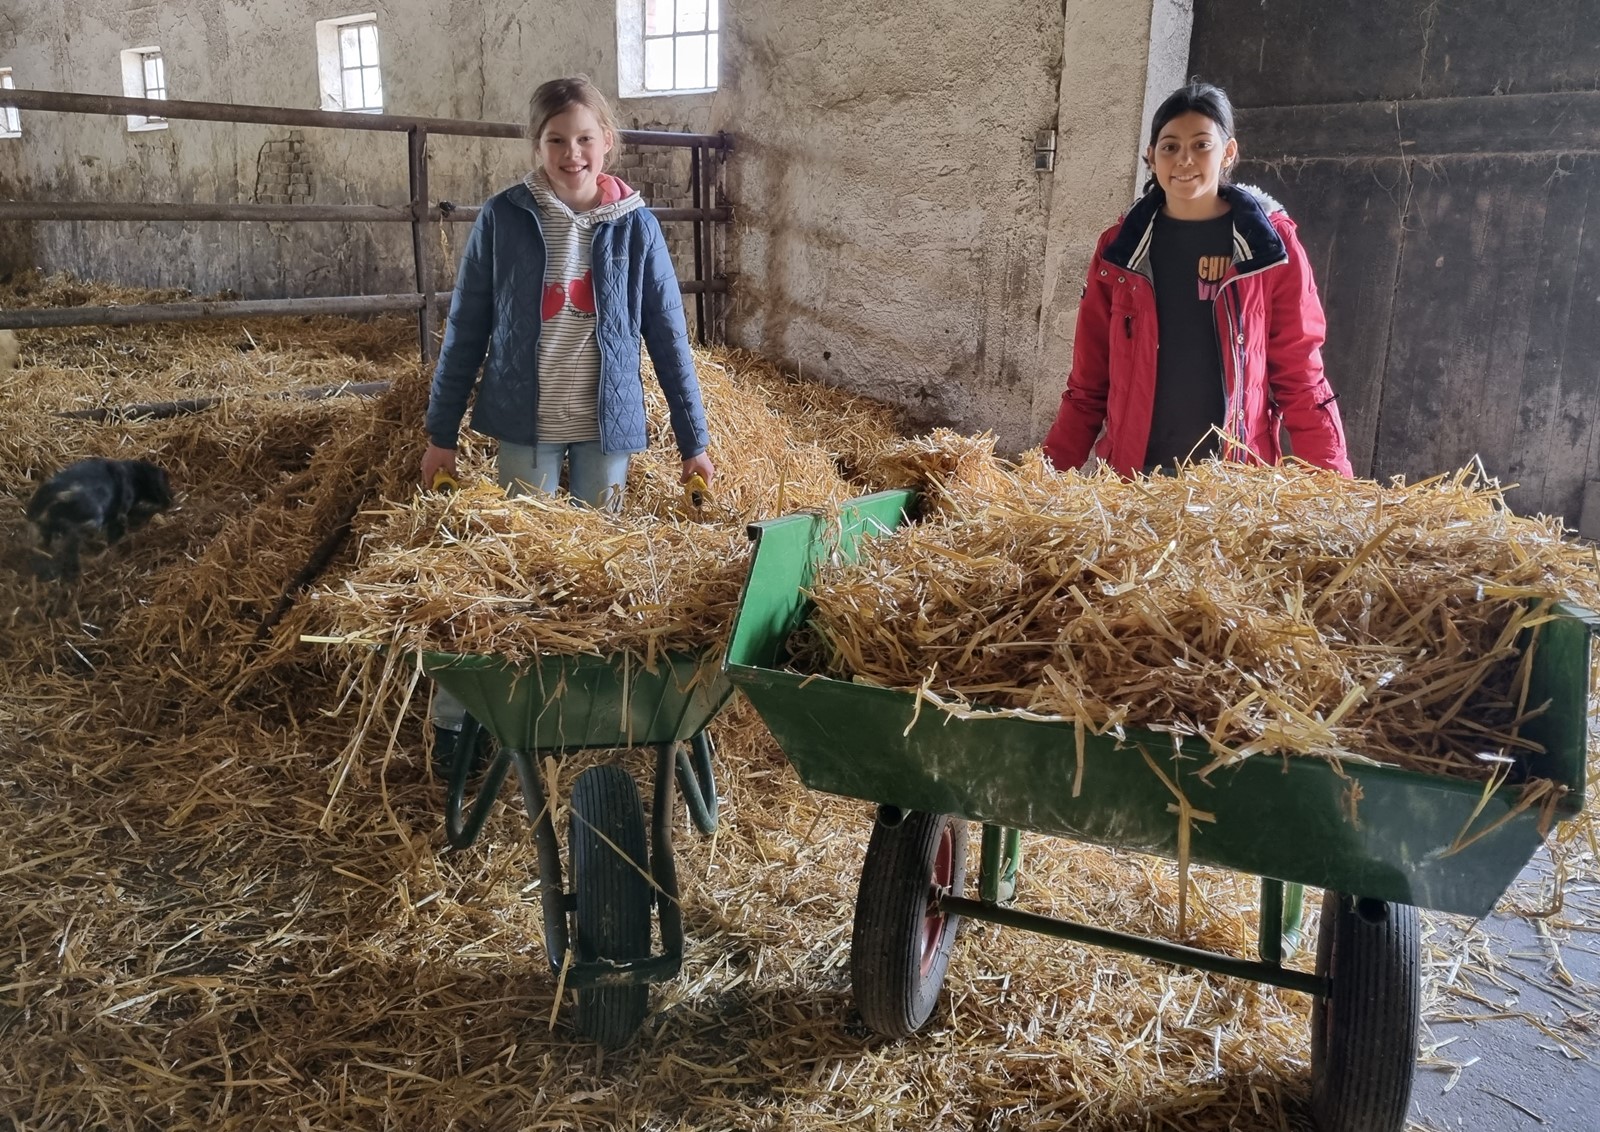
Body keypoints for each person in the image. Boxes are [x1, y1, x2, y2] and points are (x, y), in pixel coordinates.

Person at [420, 74, 716, 767]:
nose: (572, 152)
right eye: (557, 139)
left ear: (608, 142)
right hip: (525, 423)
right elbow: (466, 327)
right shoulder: (504, 217)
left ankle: (577, 713)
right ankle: (468, 722)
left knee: (593, 577)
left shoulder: (638, 227)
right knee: (515, 569)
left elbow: (669, 337)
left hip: (605, 430)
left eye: (585, 138)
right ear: (537, 145)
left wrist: (693, 442)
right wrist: (441, 434)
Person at [1042, 81, 1352, 480]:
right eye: (1170, 146)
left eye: (1201, 145)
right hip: (1134, 480)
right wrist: (1044, 478)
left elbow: (1302, 379)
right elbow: (1088, 386)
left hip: (1232, 487)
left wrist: (1335, 485)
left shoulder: (1270, 248)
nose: (1184, 159)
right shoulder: (1120, 251)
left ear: (1228, 152)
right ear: (1151, 157)